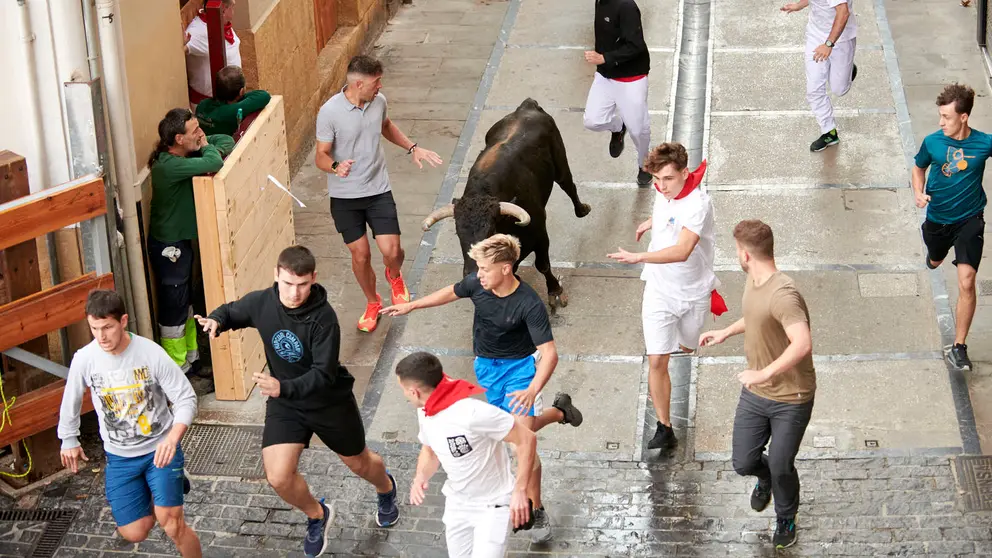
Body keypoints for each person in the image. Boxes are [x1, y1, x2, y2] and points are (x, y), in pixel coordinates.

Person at [194, 245, 399, 557]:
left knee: (359, 463)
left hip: (328, 403)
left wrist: (281, 387)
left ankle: (386, 488)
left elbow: (323, 375)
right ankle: (318, 514)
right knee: (277, 476)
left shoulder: (324, 319)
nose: (294, 292)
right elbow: (234, 310)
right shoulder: (264, 300)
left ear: (313, 279)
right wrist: (216, 321)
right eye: (288, 283)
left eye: (302, 285)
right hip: (286, 402)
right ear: (277, 275)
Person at [381, 233, 584, 543]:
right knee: (508, 426)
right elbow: (451, 292)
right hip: (487, 369)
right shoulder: (479, 283)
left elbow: (550, 354)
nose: (478, 274)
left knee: (521, 442)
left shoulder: (528, 303)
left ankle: (536, 506)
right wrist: (413, 306)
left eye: (484, 268)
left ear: (506, 268)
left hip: (519, 373)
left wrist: (531, 389)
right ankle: (559, 412)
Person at [698, 220, 815, 550]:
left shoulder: (783, 295)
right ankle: (764, 478)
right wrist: (725, 333)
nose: (737, 255)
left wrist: (764, 373)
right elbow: (755, 316)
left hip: (792, 396)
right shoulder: (755, 279)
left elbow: (801, 342)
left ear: (745, 254)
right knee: (743, 462)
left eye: (737, 250)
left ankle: (786, 516)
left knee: (781, 463)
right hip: (756, 394)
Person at [58, 290, 201, 557]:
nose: (101, 336)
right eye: (94, 328)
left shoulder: (150, 353)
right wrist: (69, 439)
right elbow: (72, 399)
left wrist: (172, 439)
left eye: (108, 327)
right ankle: (160, 488)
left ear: (123, 321)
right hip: (121, 458)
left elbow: (186, 398)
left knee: (171, 524)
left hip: (160, 450)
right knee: (135, 532)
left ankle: (166, 486)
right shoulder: (85, 359)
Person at [607, 142, 725, 451]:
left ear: (685, 174)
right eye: (657, 181)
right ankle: (665, 426)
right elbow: (667, 213)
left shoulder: (699, 204)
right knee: (657, 360)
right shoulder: (664, 193)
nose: (661, 187)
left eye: (668, 180)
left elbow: (684, 250)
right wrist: (651, 222)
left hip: (693, 292)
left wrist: (639, 257)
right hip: (659, 290)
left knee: (687, 345)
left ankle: (684, 344)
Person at [315, 55, 444, 333]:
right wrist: (336, 166)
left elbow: (385, 126)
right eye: (376, 82)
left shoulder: (379, 102)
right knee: (360, 256)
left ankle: (394, 275)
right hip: (345, 197)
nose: (380, 86)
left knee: (392, 251)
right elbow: (321, 156)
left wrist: (412, 147)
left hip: (377, 190)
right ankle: (373, 302)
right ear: (358, 83)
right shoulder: (329, 112)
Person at [397, 351, 537, 558]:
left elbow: (526, 439)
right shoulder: (425, 410)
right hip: (458, 503)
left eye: (403, 390)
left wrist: (520, 490)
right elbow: (430, 449)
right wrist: (420, 476)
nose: (404, 395)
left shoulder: (473, 413)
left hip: (493, 505)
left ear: (414, 392)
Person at [148, 108, 234, 379]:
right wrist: (207, 148)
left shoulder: (182, 155)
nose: (200, 133)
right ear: (178, 139)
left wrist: (204, 144)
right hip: (168, 247)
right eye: (194, 130)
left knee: (184, 302)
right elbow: (215, 163)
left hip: (180, 242)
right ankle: (177, 367)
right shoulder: (168, 166)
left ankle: (192, 359)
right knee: (174, 304)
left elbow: (226, 141)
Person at [913, 83, 992, 370]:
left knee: (967, 281)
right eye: (940, 116)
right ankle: (936, 255)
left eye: (946, 117)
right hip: (937, 220)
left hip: (970, 219)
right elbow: (918, 167)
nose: (940, 122)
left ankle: (959, 347)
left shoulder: (984, 143)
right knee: (935, 259)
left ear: (964, 117)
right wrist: (918, 192)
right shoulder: (933, 142)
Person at [583, 0, 653, 186]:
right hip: (605, 75)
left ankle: (644, 164)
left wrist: (604, 58)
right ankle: (618, 127)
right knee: (592, 121)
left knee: (638, 130)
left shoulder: (627, 6)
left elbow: (636, 45)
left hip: (632, 78)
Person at [781, 0, 858, 152]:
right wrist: (800, 5)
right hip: (815, 35)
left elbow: (843, 12)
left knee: (839, 89)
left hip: (841, 39)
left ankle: (848, 71)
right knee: (813, 89)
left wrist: (828, 45)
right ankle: (829, 131)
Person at [185, 0, 241, 104]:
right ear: (223, 9)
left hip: (230, 101)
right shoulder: (197, 31)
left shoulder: (219, 22)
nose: (234, 10)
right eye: (232, 7)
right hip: (211, 106)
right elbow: (181, 49)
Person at [195, 65, 271, 137]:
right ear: (241, 91)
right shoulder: (232, 111)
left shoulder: (202, 105)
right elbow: (264, 96)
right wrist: (242, 95)